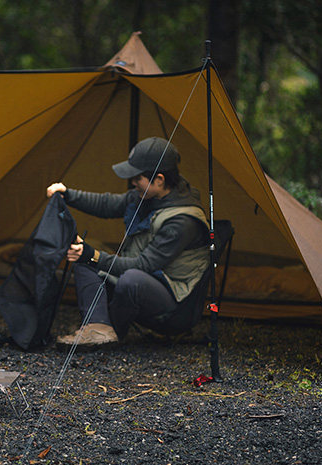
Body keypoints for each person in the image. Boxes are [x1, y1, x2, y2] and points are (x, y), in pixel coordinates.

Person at [46, 137, 210, 349]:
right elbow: (107, 204)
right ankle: (99, 329)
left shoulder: (182, 221)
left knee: (129, 277)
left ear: (159, 179)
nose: (132, 182)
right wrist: (67, 194)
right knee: (84, 258)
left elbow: (144, 266)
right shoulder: (145, 196)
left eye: (137, 178)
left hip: (173, 305)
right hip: (141, 281)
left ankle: (112, 330)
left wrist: (94, 255)